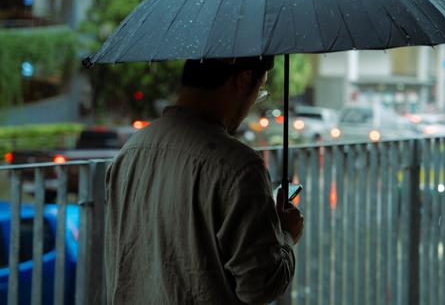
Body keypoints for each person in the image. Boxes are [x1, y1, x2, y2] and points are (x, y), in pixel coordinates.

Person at [105, 57, 304, 305]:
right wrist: (285, 234)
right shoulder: (238, 166)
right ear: (242, 80)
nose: (255, 101)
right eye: (260, 90)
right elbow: (260, 287)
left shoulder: (130, 152)